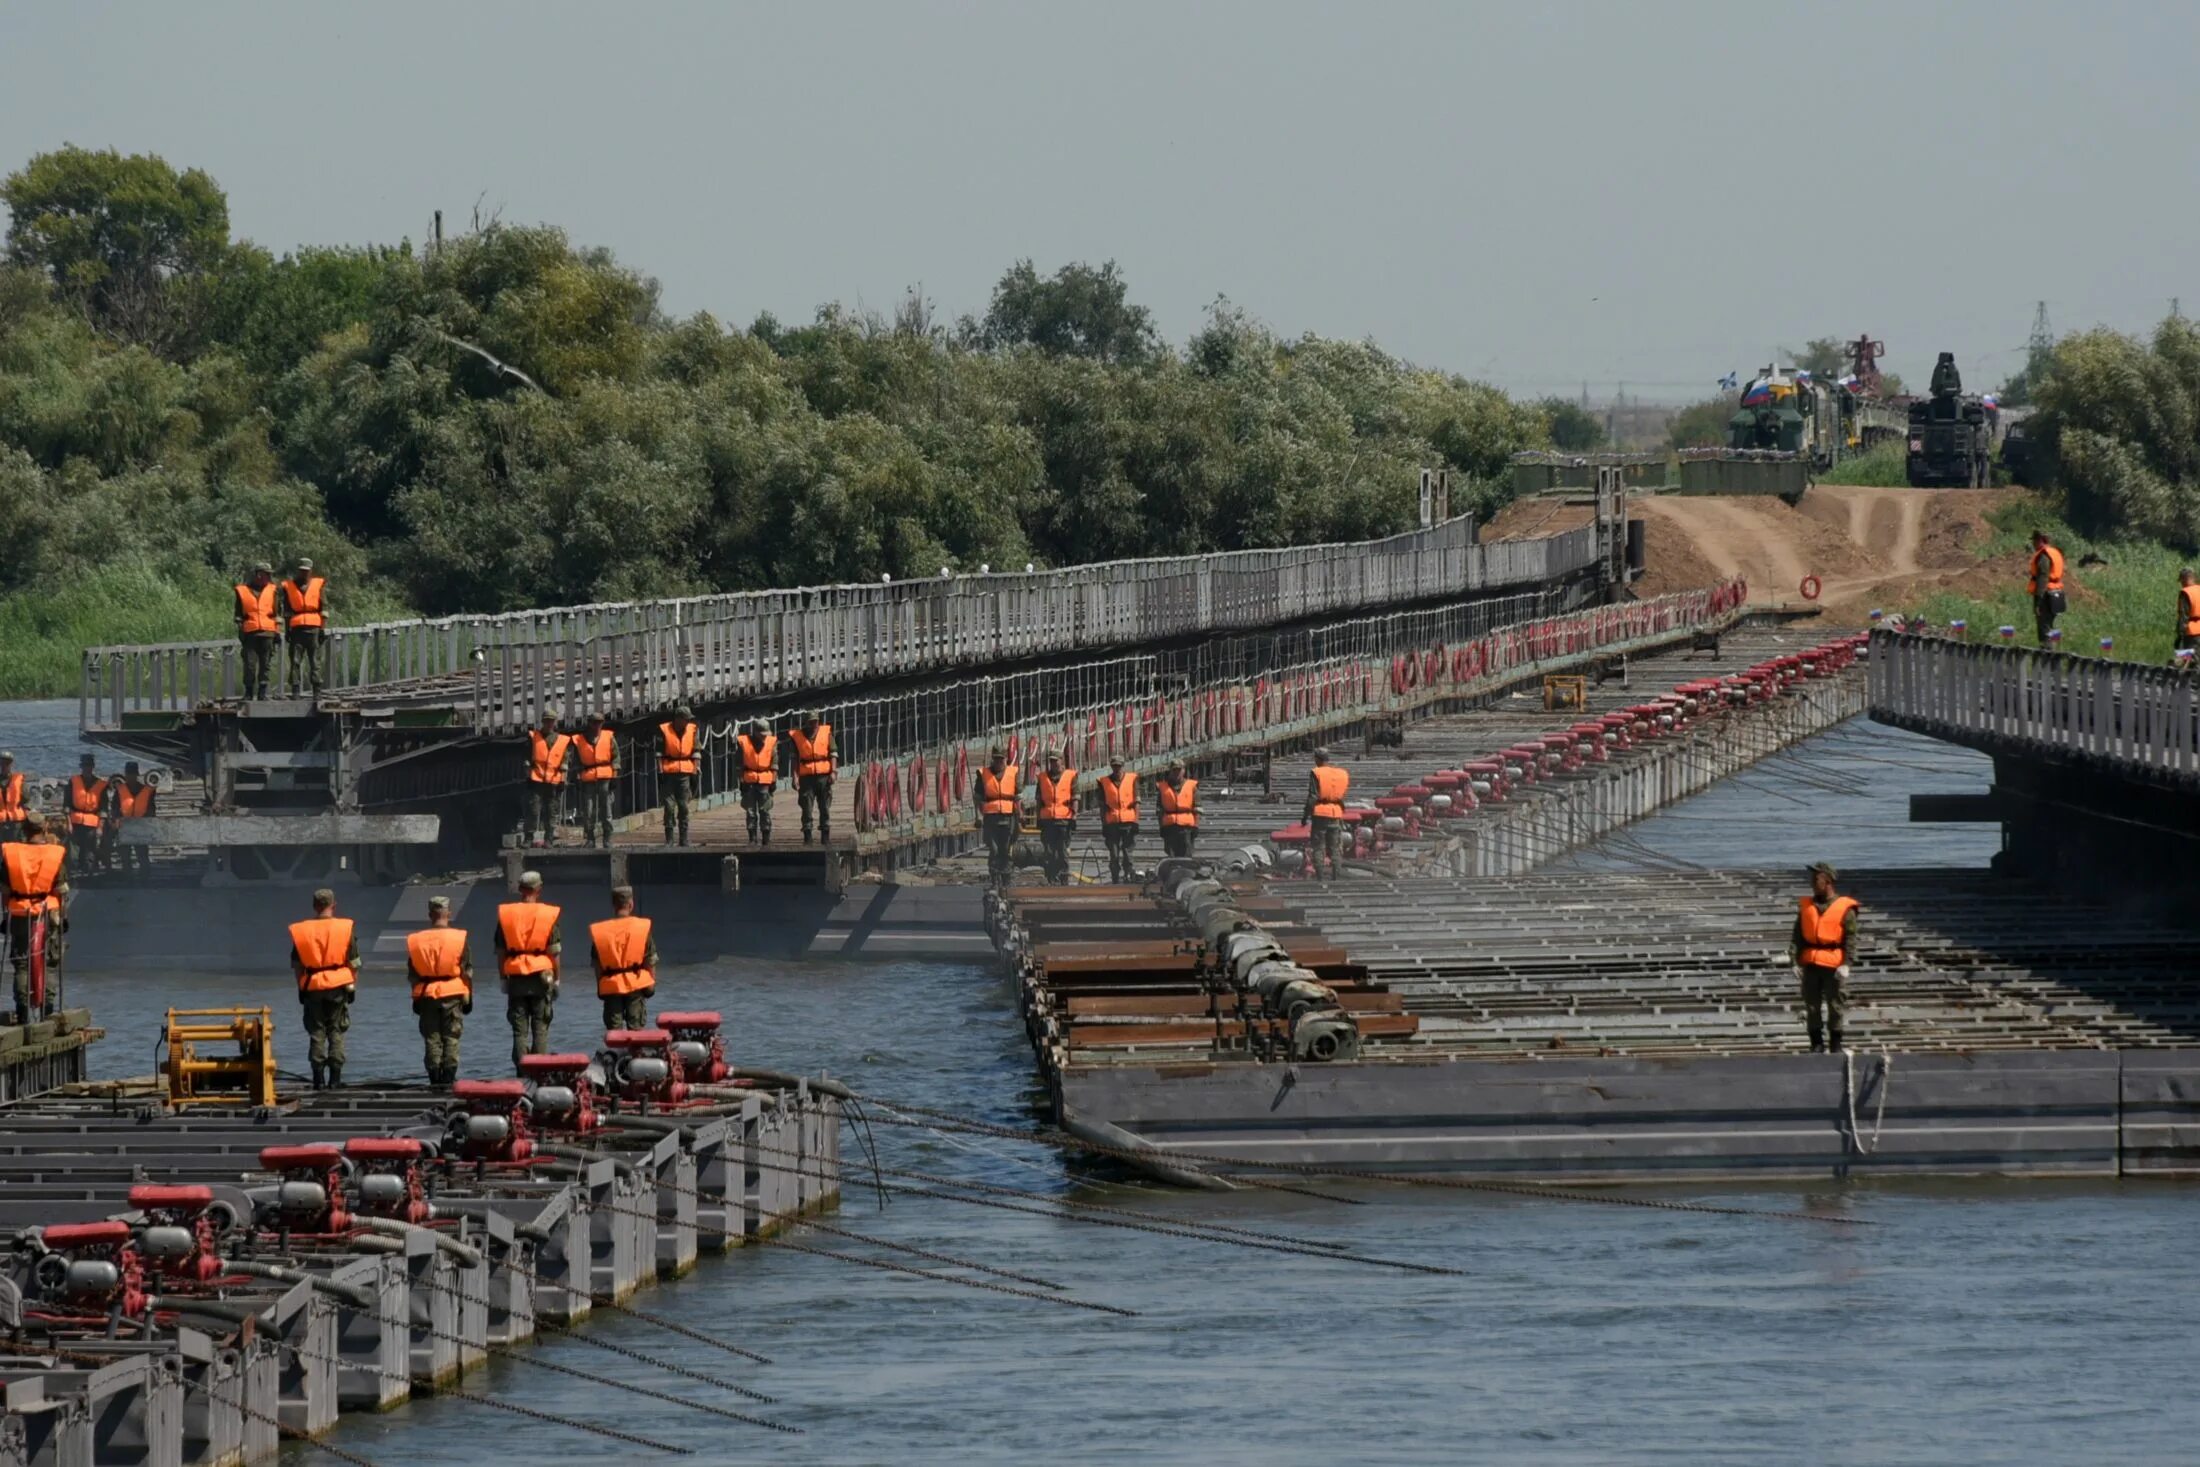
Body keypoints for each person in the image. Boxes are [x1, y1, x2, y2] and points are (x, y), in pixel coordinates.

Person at [290, 888, 359, 1089]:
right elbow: (354, 962)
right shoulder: (345, 927)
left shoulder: (301, 930)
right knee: (336, 1031)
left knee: (316, 1032)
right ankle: (335, 1080)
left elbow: (297, 965)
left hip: (312, 985)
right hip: (339, 985)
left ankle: (318, 1080)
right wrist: (352, 986)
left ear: (314, 906)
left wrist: (301, 987)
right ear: (333, 905)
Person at [2, 813, 67, 1025]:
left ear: (24, 829)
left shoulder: (11, 853)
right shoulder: (55, 853)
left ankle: (21, 1011)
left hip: (20, 912)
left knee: (21, 963)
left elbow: (4, 890)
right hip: (48, 912)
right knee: (49, 961)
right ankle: (47, 1011)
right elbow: (61, 890)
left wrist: (6, 914)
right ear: (45, 828)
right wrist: (63, 917)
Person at [1789, 861, 1858, 1054]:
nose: (1812, 883)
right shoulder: (1806, 907)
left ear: (1827, 881)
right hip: (1811, 963)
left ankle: (1836, 1044)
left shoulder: (1845, 909)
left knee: (1836, 1004)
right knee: (1811, 1005)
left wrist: (1847, 964)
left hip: (1833, 964)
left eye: (1816, 879)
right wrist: (1793, 961)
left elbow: (1851, 939)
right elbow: (1797, 936)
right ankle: (1816, 1044)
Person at [496, 870, 561, 1072]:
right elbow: (555, 953)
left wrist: (503, 979)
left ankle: (521, 1072)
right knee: (540, 1028)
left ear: (520, 889)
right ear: (539, 889)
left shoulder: (506, 915)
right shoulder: (547, 915)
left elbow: (500, 953)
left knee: (519, 1031)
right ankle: (538, 1072)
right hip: (541, 977)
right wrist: (557, 980)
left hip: (516, 978)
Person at [406, 895, 472, 1087]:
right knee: (451, 1036)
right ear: (448, 913)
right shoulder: (459, 938)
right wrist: (468, 996)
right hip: (452, 991)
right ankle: (449, 1078)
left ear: (430, 915)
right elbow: (467, 970)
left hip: (427, 994)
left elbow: (413, 974)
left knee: (431, 1037)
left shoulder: (416, 940)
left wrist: (416, 998)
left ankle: (434, 1078)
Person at [591, 885, 658, 1033]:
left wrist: (601, 987)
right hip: (636, 985)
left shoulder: (601, 931)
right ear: (631, 904)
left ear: (614, 905)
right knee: (636, 1032)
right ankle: (635, 1055)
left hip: (612, 986)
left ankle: (616, 1055)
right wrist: (651, 985)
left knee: (614, 1033)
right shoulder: (642, 928)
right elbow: (650, 960)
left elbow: (597, 965)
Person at [280, 557, 329, 697]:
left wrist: (322, 629)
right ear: (298, 570)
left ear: (310, 571)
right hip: (296, 628)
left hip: (313, 627)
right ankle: (295, 689)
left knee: (315, 661)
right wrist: (288, 629)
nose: (304, 573)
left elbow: (324, 608)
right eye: (301, 571)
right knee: (295, 660)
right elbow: (287, 611)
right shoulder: (289, 587)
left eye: (306, 571)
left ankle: (316, 690)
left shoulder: (318, 585)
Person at [234, 561, 280, 700]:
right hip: (250, 633)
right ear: (259, 574)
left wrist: (277, 632)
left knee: (265, 664)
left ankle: (262, 692)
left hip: (268, 632)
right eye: (267, 574)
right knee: (250, 664)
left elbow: (277, 613)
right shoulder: (242, 591)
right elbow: (238, 615)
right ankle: (248, 692)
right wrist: (241, 631)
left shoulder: (273, 590)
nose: (269, 577)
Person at [524, 715, 571, 848]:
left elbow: (564, 763)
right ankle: (528, 838)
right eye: (546, 721)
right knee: (533, 811)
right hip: (536, 781)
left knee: (551, 812)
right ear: (543, 722)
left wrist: (562, 781)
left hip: (553, 783)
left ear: (555, 723)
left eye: (551, 721)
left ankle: (549, 839)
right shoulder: (534, 737)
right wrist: (527, 776)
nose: (549, 723)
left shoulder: (561, 740)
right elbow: (527, 760)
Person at [974, 747, 1019, 887]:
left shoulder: (1013, 773)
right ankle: (994, 877)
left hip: (1009, 817)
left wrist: (1020, 817)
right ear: (992, 759)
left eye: (1001, 759)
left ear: (1006, 759)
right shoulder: (983, 774)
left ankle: (1006, 879)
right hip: (991, 818)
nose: (999, 762)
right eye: (996, 759)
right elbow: (978, 797)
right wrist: (978, 816)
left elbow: (1018, 797)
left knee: (1006, 849)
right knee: (994, 849)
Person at [1303, 748, 1350, 881]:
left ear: (1317, 759)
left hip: (1320, 814)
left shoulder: (1316, 773)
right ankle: (1336, 877)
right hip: (1336, 813)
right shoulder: (1339, 773)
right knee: (1334, 847)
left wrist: (1305, 815)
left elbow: (1313, 796)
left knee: (1318, 846)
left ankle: (1320, 877)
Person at [1032, 752, 1077, 885]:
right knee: (1049, 851)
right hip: (1047, 820)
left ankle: (1064, 877)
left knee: (1062, 851)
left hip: (1064, 819)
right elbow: (1039, 800)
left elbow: (1075, 798)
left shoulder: (1071, 776)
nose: (1053, 763)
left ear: (1061, 761)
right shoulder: (1042, 777)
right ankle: (1051, 877)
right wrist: (1038, 818)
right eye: (1051, 761)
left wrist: (1074, 817)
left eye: (1055, 761)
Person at [790, 712, 835, 845]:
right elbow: (794, 759)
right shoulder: (797, 737)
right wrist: (795, 776)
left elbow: (833, 754)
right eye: (811, 722)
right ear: (806, 723)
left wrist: (833, 772)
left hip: (823, 777)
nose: (814, 724)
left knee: (825, 807)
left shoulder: (826, 734)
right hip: (806, 779)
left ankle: (825, 836)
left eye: (816, 721)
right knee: (806, 808)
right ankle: (807, 836)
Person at [573, 716, 618, 849]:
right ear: (589, 723)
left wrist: (614, 778)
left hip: (605, 778)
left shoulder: (609, 737)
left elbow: (616, 758)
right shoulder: (580, 740)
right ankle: (590, 838)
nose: (596, 726)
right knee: (588, 810)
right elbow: (577, 762)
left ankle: (607, 838)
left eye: (599, 723)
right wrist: (577, 778)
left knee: (607, 810)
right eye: (594, 723)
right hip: (588, 779)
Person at [105, 761, 154, 876]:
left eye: (133, 774)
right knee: (125, 854)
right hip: (125, 825)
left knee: (142, 853)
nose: (131, 777)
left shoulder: (147, 790)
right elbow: (115, 807)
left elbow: (151, 809)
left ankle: (145, 877)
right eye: (129, 774)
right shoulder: (120, 789)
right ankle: (128, 876)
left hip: (140, 826)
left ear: (137, 775)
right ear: (125, 775)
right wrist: (116, 820)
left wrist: (148, 823)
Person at [658, 706, 698, 846]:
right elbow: (659, 753)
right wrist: (660, 771)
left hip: (685, 773)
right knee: (668, 806)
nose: (688, 722)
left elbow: (696, 751)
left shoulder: (692, 731)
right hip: (669, 773)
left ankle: (684, 838)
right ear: (678, 719)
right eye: (685, 719)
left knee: (684, 806)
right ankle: (669, 838)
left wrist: (695, 772)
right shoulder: (664, 730)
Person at [1098, 757, 1139, 883]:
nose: (1117, 769)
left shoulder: (1132, 779)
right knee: (1114, 854)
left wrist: (1136, 821)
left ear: (1123, 766)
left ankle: (1128, 875)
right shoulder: (1103, 782)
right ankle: (1115, 877)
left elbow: (1137, 802)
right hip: (1112, 823)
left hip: (1128, 822)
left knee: (1128, 853)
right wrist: (1104, 824)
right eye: (1114, 766)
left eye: (1119, 766)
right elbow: (1102, 806)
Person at [736, 720, 777, 845]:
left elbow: (775, 764)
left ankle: (766, 837)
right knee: (750, 811)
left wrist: (773, 781)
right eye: (762, 734)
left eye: (766, 734)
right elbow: (739, 765)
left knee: (765, 810)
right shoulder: (744, 743)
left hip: (765, 781)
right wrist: (741, 781)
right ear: (755, 733)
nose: (765, 737)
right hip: (749, 781)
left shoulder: (771, 743)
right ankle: (752, 837)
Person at [65, 755, 107, 876]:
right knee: (73, 854)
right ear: (81, 767)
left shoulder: (101, 784)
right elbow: (67, 804)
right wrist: (68, 823)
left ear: (93, 767)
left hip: (92, 823)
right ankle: (74, 874)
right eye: (85, 766)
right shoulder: (73, 781)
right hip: (75, 822)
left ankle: (89, 874)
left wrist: (100, 826)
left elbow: (103, 808)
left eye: (89, 766)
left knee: (90, 852)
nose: (87, 769)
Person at [2028, 531, 2065, 646]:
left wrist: (2039, 599)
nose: (2033, 543)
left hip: (2046, 595)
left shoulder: (2044, 556)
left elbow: (2042, 577)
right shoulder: (2054, 552)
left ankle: (2046, 653)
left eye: (2034, 540)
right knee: (2051, 624)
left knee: (2043, 625)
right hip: (2056, 592)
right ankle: (2053, 652)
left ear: (2040, 540)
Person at [1156, 760, 1200, 858]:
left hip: (1186, 828)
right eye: (1174, 770)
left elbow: (1197, 809)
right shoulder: (1163, 787)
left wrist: (1196, 826)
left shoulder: (1192, 786)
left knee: (1186, 856)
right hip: (1169, 827)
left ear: (1184, 770)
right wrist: (1161, 827)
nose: (1177, 772)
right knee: (1171, 856)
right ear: (1170, 771)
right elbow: (1159, 810)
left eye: (1179, 770)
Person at [0, 751, 24, 844]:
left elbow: (26, 798)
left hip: (15, 821)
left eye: (7, 763)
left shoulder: (19, 780)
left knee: (15, 847)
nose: (4, 766)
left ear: (11, 764)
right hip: (1, 821)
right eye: (2, 763)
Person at [2177, 569, 2200, 654]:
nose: (2181, 584)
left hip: (2191, 633)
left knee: (2188, 660)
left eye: (2181, 580)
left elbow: (2183, 615)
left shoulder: (2186, 593)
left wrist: (2180, 635)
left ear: (2186, 578)